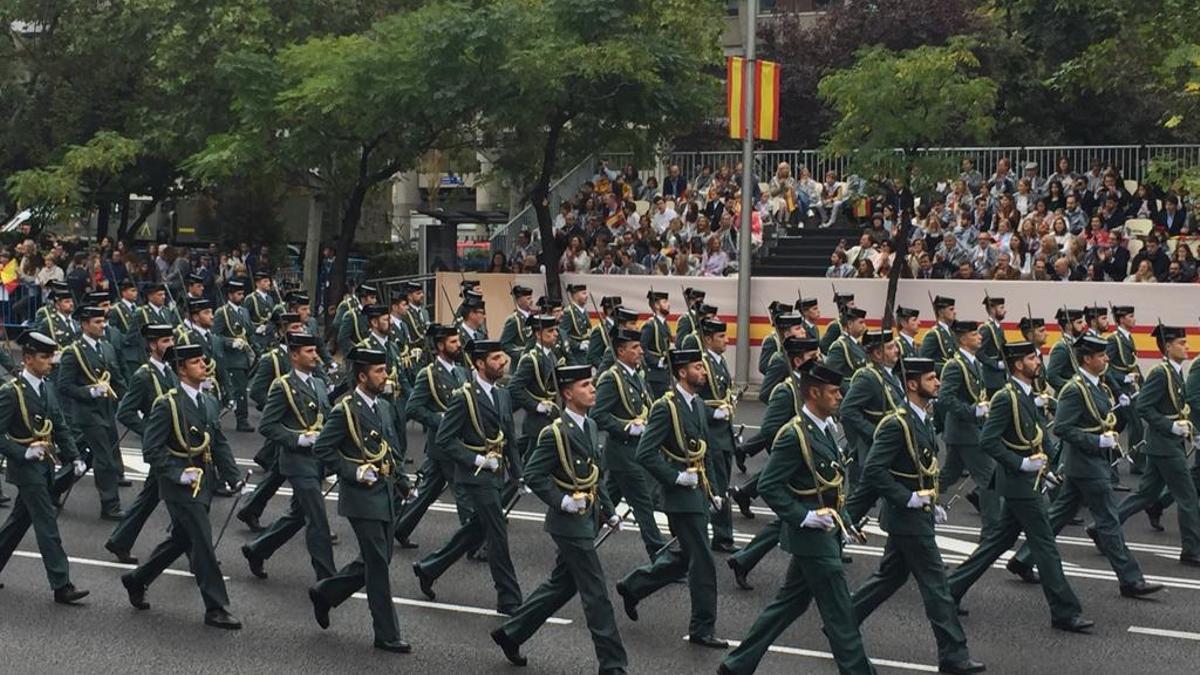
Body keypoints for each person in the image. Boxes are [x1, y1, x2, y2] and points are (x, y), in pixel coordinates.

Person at [718, 364, 874, 675]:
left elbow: (829, 486)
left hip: (824, 534)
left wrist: (844, 521)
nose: (840, 396)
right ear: (814, 392)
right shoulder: (795, 434)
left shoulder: (824, 427)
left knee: (788, 605)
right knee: (841, 615)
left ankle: (736, 665)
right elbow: (768, 485)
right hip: (812, 539)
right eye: (833, 392)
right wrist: (802, 517)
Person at [947, 341, 1094, 634]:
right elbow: (988, 440)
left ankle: (949, 590)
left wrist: (1046, 469)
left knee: (996, 543)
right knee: (1045, 546)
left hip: (1028, 481)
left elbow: (1036, 437)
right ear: (1017, 365)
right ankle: (1064, 611)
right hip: (1019, 484)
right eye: (1031, 358)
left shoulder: (1026, 395)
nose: (1038, 362)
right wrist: (1020, 464)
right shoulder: (1007, 397)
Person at [490, 365, 628, 673]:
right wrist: (561, 501)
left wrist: (609, 511)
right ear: (567, 394)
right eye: (585, 385)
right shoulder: (555, 433)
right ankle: (613, 665)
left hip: (587, 518)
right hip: (569, 525)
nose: (592, 389)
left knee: (562, 585)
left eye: (592, 383)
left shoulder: (590, 426)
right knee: (596, 593)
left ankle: (511, 633)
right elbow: (534, 475)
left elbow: (594, 477)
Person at [851, 358, 985, 675]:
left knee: (889, 578)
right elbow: (873, 471)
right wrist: (907, 497)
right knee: (937, 586)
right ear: (912, 384)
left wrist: (930, 501)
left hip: (915, 515)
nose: (937, 382)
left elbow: (919, 468)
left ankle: (843, 622)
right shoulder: (897, 422)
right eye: (930, 378)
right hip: (906, 518)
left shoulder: (922, 418)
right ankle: (953, 654)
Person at [1004, 336, 1163, 597]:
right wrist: (1096, 440)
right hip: (1088, 466)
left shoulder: (1097, 386)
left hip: (1084, 466)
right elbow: (1062, 428)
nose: (1107, 359)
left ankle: (1022, 560)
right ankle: (1130, 579)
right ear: (1087, 359)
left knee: (1057, 516)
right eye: (1101, 355)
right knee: (1109, 521)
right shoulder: (1074, 390)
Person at [119, 343, 243, 629]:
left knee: (182, 539)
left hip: (205, 482)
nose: (204, 366)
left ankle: (137, 579)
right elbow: (151, 450)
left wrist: (232, 475)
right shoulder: (168, 404)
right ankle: (215, 606)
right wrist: (178, 474)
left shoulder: (209, 401)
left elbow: (218, 442)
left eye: (203, 360)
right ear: (181, 369)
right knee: (202, 540)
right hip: (179, 486)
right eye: (197, 362)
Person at [615, 348, 726, 650]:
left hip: (698, 494)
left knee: (685, 558)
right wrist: (676, 477)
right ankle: (702, 628)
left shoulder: (698, 404)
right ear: (681, 373)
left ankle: (633, 586)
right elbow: (645, 453)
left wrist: (714, 490)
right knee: (703, 563)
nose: (703, 372)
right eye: (697, 367)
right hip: (680, 498)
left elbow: (706, 453)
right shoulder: (667, 407)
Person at [308, 347, 412, 653]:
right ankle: (387, 633)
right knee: (378, 566)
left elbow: (391, 448)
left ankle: (326, 593)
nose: (385, 376)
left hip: (386, 494)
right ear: (362, 375)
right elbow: (323, 450)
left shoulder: (383, 406)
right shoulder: (345, 410)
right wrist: (353, 471)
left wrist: (404, 483)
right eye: (379, 371)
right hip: (362, 498)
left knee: (375, 560)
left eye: (385, 370)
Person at [412, 340, 523, 614]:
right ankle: (509, 597)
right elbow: (445, 439)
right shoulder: (464, 396)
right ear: (480, 363)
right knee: (497, 532)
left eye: (502, 356)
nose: (503, 362)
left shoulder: (503, 394)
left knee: (476, 528)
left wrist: (519, 475)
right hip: (474, 475)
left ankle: (429, 568)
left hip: (496, 474)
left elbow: (509, 436)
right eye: (496, 358)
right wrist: (475, 459)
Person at [0, 332, 89, 604]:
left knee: (18, 521)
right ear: (27, 359)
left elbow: (58, 425)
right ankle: (62, 584)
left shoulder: (46, 387)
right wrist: (22, 451)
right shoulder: (11, 392)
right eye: (44, 356)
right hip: (25, 468)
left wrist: (74, 457)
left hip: (44, 465)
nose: (50, 362)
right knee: (46, 523)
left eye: (51, 356)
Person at [241, 332, 336, 581]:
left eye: (315, 350)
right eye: (309, 351)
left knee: (298, 516)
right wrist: (297, 439)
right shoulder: (282, 385)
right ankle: (327, 579)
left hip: (316, 461)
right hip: (296, 461)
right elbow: (268, 425)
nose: (315, 355)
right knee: (317, 518)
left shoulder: (317, 384)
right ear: (294, 355)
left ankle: (257, 549)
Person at [727, 337, 820, 588]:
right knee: (795, 515)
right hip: (794, 462)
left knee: (790, 518)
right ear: (799, 360)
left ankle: (744, 559)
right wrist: (787, 453)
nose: (820, 358)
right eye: (814, 354)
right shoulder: (787, 390)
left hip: (805, 462)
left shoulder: (809, 387)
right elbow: (769, 429)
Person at [1115, 324, 1200, 567]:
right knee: (1188, 496)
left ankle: (1101, 528)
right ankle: (1191, 551)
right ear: (1168, 346)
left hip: (1168, 443)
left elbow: (1175, 408)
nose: (1187, 347)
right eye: (1182, 344)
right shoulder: (1161, 372)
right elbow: (1143, 407)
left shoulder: (1176, 371)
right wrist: (1170, 427)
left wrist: (1190, 432)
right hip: (1165, 445)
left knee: (1147, 493)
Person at [105, 324, 178, 564]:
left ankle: (120, 541)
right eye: (165, 341)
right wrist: (151, 433)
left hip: (175, 445)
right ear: (152, 345)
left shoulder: (171, 370)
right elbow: (125, 412)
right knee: (184, 504)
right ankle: (197, 549)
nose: (171, 345)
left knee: (151, 499)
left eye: (171, 340)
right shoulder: (144, 375)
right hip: (162, 448)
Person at [593, 328, 668, 560]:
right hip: (624, 454)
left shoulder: (637, 375)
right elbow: (597, 414)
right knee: (643, 505)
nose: (640, 351)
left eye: (639, 347)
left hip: (634, 452)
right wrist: (626, 427)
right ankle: (661, 558)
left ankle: (577, 545)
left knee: (609, 503)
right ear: (620, 350)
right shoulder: (611, 378)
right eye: (634, 348)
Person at [393, 325, 469, 547]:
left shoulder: (461, 372)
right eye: (453, 342)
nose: (458, 346)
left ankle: (400, 526)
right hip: (444, 445)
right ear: (440, 346)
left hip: (454, 443)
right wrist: (442, 420)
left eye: (458, 341)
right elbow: (413, 408)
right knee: (463, 493)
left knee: (427, 492)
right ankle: (473, 543)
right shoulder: (429, 374)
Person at [59, 305, 127, 520]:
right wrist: (89, 392)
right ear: (84, 324)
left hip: (106, 410)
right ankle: (110, 505)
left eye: (103, 321)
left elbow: (117, 378)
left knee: (87, 458)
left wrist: (128, 401)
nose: (102, 325)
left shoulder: (106, 348)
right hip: (87, 413)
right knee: (104, 459)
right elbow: (64, 386)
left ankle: (53, 488)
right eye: (97, 322)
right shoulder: (74, 351)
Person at [935, 321, 1001, 530]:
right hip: (965, 433)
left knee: (949, 475)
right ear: (963, 339)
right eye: (974, 334)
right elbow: (945, 398)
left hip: (968, 431)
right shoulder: (956, 365)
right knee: (989, 479)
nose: (980, 337)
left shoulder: (972, 363)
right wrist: (972, 411)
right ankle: (992, 530)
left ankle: (921, 499)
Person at [697, 319, 740, 554]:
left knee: (721, 487)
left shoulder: (720, 362)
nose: (727, 340)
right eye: (721, 337)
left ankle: (719, 534)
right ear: (708, 340)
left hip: (724, 434)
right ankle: (722, 536)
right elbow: (691, 398)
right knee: (718, 487)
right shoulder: (702, 364)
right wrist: (713, 411)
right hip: (713, 435)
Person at [511, 315, 563, 460]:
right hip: (537, 420)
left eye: (556, 330)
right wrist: (536, 405)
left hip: (553, 413)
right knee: (534, 460)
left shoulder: (552, 355)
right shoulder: (531, 359)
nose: (555, 334)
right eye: (550, 331)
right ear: (538, 334)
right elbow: (514, 387)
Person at [213, 279, 256, 432]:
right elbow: (215, 337)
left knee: (239, 389)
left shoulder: (244, 312)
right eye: (238, 294)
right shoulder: (221, 313)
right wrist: (230, 342)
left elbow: (249, 332)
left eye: (242, 293)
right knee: (238, 390)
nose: (241, 296)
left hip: (245, 356)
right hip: (231, 358)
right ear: (230, 295)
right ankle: (241, 419)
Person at [640, 290, 673, 399]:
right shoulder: (650, 325)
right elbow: (641, 349)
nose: (668, 304)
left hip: (665, 373)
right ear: (656, 305)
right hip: (654, 375)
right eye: (664, 301)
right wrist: (657, 362)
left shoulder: (664, 324)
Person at [978, 295, 1008, 396]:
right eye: (1001, 308)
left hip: (1001, 377)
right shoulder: (986, 329)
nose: (1005, 311)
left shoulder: (998, 327)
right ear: (992, 309)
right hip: (991, 379)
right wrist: (996, 364)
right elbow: (979, 352)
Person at [499, 285, 535, 364]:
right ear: (518, 301)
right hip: (520, 364)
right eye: (528, 299)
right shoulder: (514, 320)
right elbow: (504, 343)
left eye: (531, 298)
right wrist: (522, 353)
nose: (531, 301)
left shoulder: (533, 317)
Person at [559, 283, 591, 366]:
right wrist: (578, 345)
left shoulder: (584, 311)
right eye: (583, 293)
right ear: (575, 296)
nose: (586, 296)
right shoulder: (569, 312)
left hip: (586, 353)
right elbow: (562, 334)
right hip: (575, 354)